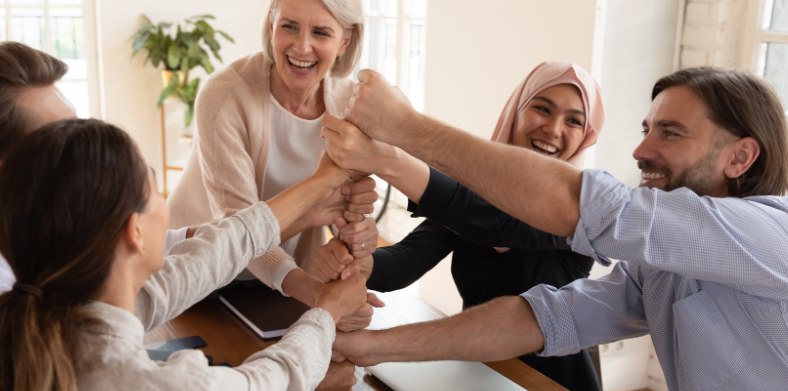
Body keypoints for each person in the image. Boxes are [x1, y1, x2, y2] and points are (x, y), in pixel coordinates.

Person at [0, 42, 374, 390]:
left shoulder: (45, 279)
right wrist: (321, 331)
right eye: (60, 138)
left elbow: (180, 269)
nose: (81, 145)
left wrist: (315, 189)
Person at [329, 66, 788, 390]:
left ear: (740, 158)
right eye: (646, 129)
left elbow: (567, 205)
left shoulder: (768, 236)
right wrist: (370, 345)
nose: (640, 150)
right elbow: (546, 317)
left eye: (670, 132)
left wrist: (401, 132)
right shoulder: (661, 265)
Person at [314, 62, 606, 390]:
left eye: (573, 121)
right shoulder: (476, 194)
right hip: (477, 372)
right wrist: (361, 264)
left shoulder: (584, 210)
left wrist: (391, 156)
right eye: (542, 108)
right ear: (516, 112)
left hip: (549, 382)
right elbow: (408, 259)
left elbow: (493, 222)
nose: (554, 129)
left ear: (586, 136)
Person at [167, 0, 382, 330]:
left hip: (281, 287)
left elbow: (347, 222)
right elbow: (236, 230)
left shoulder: (353, 108)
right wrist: (318, 296)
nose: (301, 47)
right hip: (193, 279)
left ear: (346, 40)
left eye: (321, 32)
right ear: (270, 25)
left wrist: (351, 253)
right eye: (290, 26)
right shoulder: (224, 97)